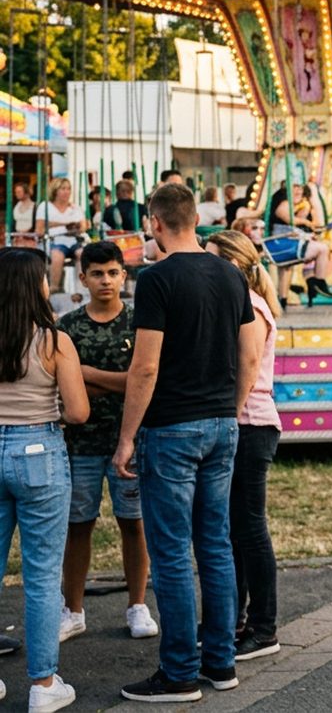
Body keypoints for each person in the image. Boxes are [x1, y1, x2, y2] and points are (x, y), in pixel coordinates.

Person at [113, 183, 257, 703]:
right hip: (222, 422)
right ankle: (220, 662)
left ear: (155, 223)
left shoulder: (155, 280)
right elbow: (249, 354)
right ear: (196, 219)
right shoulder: (229, 273)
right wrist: (233, 407)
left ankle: (178, 672)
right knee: (215, 545)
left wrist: (126, 437)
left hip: (171, 426)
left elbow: (145, 365)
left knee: (172, 552)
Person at [0, 247, 89, 712]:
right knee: (40, 575)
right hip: (39, 453)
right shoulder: (54, 342)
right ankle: (43, 684)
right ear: (36, 286)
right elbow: (77, 411)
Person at [57, 242, 157, 646]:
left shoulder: (139, 322)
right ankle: (73, 609)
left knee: (132, 522)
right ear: (83, 278)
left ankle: (137, 605)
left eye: (113, 272)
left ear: (124, 275)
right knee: (77, 525)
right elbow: (63, 386)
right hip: (79, 442)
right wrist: (110, 383)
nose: (106, 280)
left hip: (127, 439)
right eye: (97, 273)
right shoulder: (68, 327)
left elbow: (144, 377)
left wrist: (86, 374)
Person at [205, 230, 284, 662]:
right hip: (247, 422)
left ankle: (263, 626)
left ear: (234, 263)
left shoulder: (251, 305)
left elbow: (249, 364)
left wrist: (230, 416)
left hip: (251, 424)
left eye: (215, 260)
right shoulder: (243, 302)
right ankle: (232, 618)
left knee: (250, 528)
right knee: (233, 528)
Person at [34, 179, 89, 294]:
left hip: (74, 240)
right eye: (63, 189)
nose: (66, 192)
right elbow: (39, 229)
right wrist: (63, 224)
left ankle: (82, 287)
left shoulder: (75, 208)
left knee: (83, 254)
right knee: (57, 256)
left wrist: (75, 227)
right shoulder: (45, 207)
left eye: (68, 189)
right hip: (55, 240)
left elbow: (83, 227)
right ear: (55, 191)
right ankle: (54, 287)